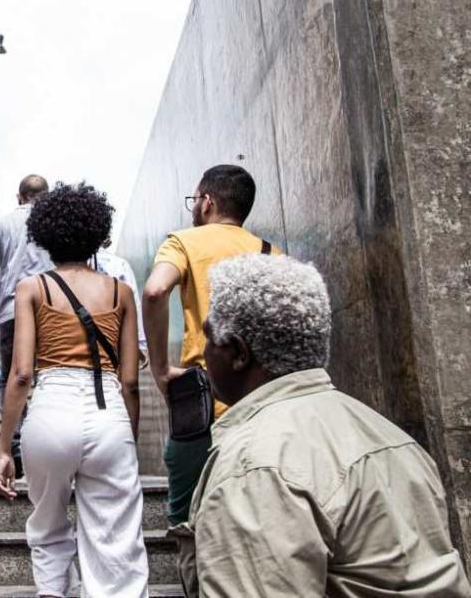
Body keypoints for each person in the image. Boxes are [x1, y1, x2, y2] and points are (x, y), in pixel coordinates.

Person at [179, 254, 471, 596]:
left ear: (239, 353)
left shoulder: (253, 465)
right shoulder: (391, 436)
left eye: (209, 337)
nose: (202, 354)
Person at [0, 183, 149, 598]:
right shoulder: (121, 292)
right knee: (116, 536)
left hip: (49, 411)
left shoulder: (32, 288)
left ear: (45, 236)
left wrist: (5, 449)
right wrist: (127, 434)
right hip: (108, 411)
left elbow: (22, 374)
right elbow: (131, 379)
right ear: (96, 232)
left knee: (46, 527)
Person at [141, 164, 279, 528]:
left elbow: (155, 290)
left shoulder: (184, 241)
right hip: (262, 408)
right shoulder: (272, 253)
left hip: (202, 405)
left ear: (207, 201)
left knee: (188, 520)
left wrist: (159, 368)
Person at [0, 174, 53, 477]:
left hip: (12, 311)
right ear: (46, 195)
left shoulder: (2, 223)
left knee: (12, 377)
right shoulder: (55, 222)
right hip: (53, 308)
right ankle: (48, 439)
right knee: (51, 374)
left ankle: (16, 438)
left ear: (19, 197)